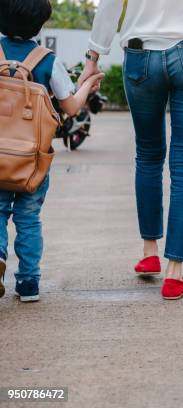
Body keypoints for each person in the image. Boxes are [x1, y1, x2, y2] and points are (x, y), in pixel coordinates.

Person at [79, 0, 183, 300]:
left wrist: (93, 58)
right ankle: (174, 272)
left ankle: (149, 252)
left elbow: (110, 6)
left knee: (148, 155)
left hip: (141, 54)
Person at [0, 0, 104, 302]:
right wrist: (88, 85)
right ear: (40, 24)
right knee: (29, 219)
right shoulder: (47, 60)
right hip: (32, 160)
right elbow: (71, 107)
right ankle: (29, 283)